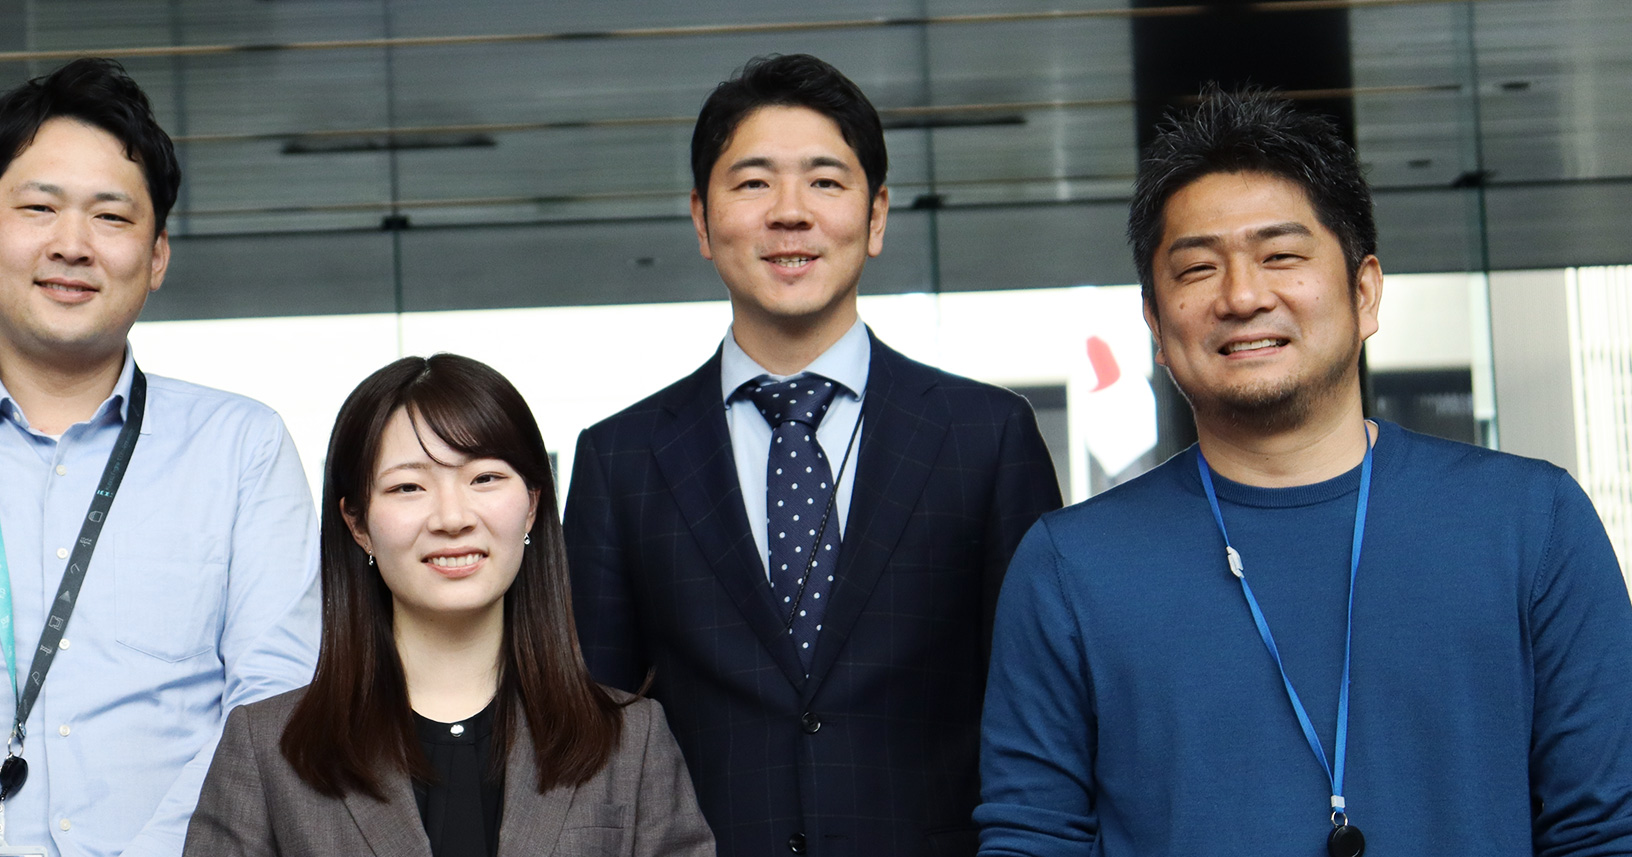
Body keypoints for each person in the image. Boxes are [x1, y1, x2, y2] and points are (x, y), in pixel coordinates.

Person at [976, 89, 1632, 856]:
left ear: (1365, 291)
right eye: (1197, 268)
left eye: (1281, 256)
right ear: (1155, 322)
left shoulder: (1532, 522)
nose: (1242, 296)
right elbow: (1033, 839)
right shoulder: (1069, 568)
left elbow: (1605, 829)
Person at [0, 57, 320, 857]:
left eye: (111, 217)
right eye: (38, 207)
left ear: (157, 256)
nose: (72, 244)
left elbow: (274, 699)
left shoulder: (242, 448)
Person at [564, 54, 1063, 857]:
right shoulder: (621, 459)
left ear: (876, 216)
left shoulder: (987, 437)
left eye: (825, 182)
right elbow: (593, 734)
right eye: (753, 182)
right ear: (701, 220)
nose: (790, 213)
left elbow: (1043, 720)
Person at [186, 353, 715, 857]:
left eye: (484, 478)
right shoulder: (267, 749)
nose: (452, 518)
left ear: (531, 506)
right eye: (408, 487)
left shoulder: (631, 741)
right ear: (358, 524)